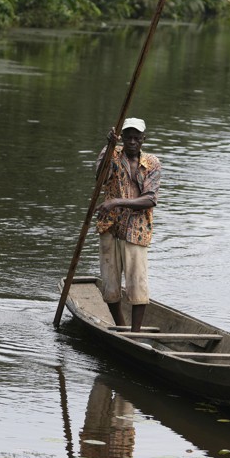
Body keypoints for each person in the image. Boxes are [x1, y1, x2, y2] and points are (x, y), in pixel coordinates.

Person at [94, 117, 161, 332]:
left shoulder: (152, 163)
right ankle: (121, 327)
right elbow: (100, 179)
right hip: (110, 227)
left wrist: (116, 201)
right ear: (122, 138)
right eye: (128, 137)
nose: (132, 141)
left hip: (137, 230)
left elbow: (150, 199)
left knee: (138, 284)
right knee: (110, 284)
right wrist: (110, 146)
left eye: (136, 138)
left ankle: (135, 333)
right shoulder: (111, 153)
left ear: (143, 139)